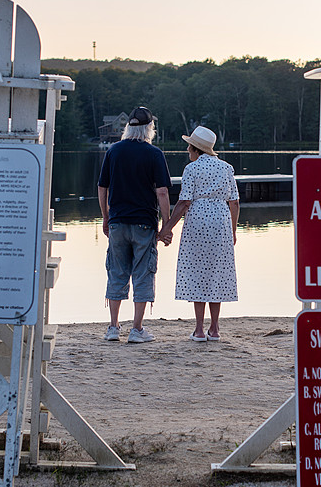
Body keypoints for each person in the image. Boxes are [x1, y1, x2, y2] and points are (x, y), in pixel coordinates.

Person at [98, 106, 172, 343]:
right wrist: (166, 225)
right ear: (150, 128)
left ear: (128, 127)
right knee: (143, 273)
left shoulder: (113, 151)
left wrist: (106, 216)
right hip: (144, 223)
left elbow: (102, 188)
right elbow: (162, 192)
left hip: (118, 222)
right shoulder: (154, 154)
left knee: (117, 272)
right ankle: (137, 329)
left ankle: (113, 327)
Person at [158, 126, 239, 342]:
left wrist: (167, 228)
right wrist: (232, 230)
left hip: (198, 221)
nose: (187, 150)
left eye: (189, 146)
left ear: (196, 149)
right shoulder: (227, 168)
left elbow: (184, 202)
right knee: (217, 272)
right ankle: (215, 328)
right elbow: (234, 202)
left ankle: (200, 330)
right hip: (221, 221)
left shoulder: (191, 169)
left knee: (198, 272)